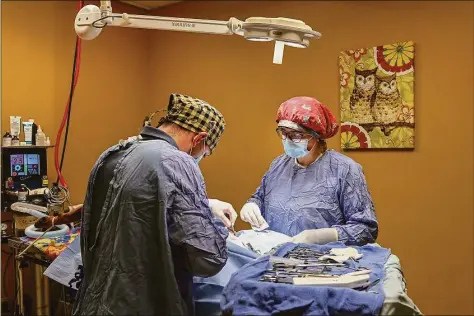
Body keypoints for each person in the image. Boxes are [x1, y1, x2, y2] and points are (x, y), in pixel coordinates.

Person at [72, 93, 236, 316]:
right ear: (199, 139)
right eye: (204, 153)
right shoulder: (177, 160)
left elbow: (137, 206)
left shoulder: (114, 152)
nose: (200, 158)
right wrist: (217, 229)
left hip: (95, 304)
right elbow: (208, 260)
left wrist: (203, 205)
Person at [240, 96, 378, 246]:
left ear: (316, 136)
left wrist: (323, 236)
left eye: (295, 135)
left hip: (324, 261)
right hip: (277, 258)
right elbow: (260, 197)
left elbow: (365, 229)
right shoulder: (278, 165)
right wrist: (252, 205)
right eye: (283, 133)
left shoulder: (344, 170)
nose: (287, 140)